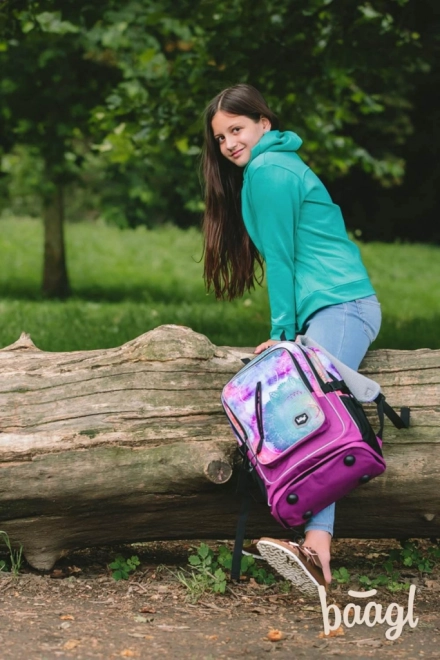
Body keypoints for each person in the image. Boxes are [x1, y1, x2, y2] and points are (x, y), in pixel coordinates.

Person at [201, 83, 382, 595]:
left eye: (237, 129)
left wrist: (282, 338)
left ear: (263, 122)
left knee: (312, 411)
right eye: (220, 138)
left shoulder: (268, 170)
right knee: (300, 412)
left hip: (342, 306)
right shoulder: (268, 168)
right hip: (330, 308)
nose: (230, 144)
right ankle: (314, 542)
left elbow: (281, 261)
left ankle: (316, 541)